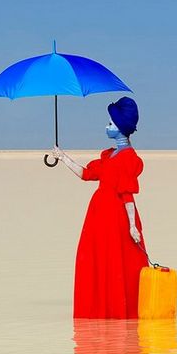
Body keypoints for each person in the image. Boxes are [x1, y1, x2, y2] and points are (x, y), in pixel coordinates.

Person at [52, 96, 149, 319]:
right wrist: (63, 157)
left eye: (111, 124)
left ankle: (118, 310)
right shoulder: (108, 155)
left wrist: (132, 226)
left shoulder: (127, 159)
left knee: (117, 261)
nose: (107, 127)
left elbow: (127, 195)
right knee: (96, 259)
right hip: (99, 216)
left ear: (122, 127)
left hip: (116, 216)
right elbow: (86, 174)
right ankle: (100, 309)